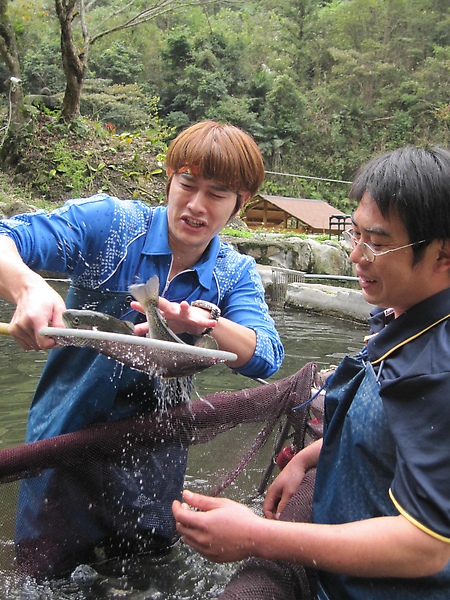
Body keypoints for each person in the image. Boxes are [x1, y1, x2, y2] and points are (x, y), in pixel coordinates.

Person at [0, 120, 284, 577]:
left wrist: (207, 325)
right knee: (44, 577)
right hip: (62, 438)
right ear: (169, 178)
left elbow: (266, 354)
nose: (195, 205)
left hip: (155, 458)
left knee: (146, 575)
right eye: (187, 184)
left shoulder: (234, 274)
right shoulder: (111, 226)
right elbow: (7, 236)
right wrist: (28, 287)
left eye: (217, 194)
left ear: (240, 203)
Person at [173, 146, 450, 599]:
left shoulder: (437, 368)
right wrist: (308, 457)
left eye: (377, 244)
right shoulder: (403, 319)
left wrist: (256, 536)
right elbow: (393, 433)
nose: (356, 256)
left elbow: (427, 545)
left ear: (443, 255)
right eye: (354, 235)